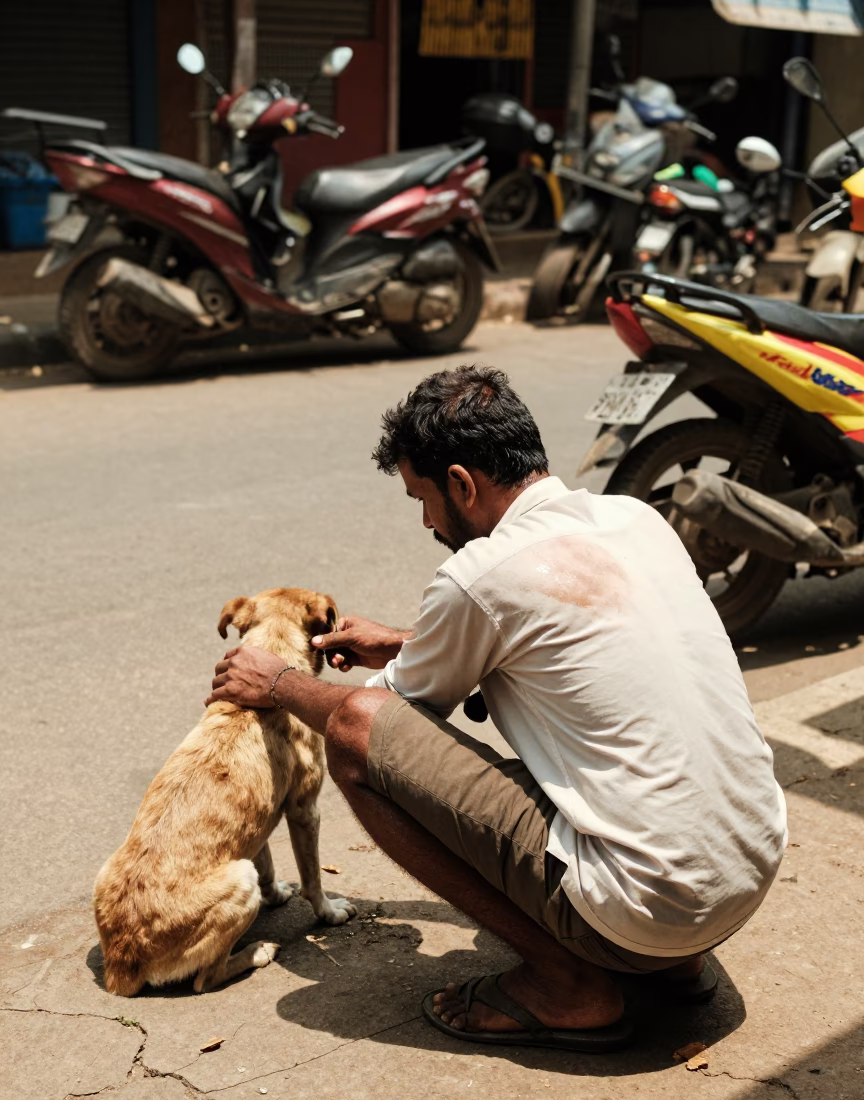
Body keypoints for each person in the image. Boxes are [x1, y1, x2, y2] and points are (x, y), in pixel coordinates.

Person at [207, 364, 786, 1053]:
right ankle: (671, 964)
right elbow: (565, 642)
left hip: (647, 909)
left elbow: (376, 716)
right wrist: (405, 640)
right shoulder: (634, 519)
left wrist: (277, 681)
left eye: (423, 498)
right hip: (744, 875)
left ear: (462, 484)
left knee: (355, 736)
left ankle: (567, 985)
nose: (427, 521)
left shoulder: (480, 574)